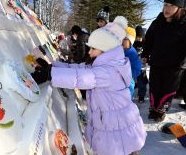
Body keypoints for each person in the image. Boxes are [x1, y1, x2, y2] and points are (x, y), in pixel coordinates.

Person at [32, 16, 146, 155]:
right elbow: (78, 69)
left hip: (119, 132)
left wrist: (50, 75)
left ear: (106, 49)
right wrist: (52, 67)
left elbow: (81, 78)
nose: (89, 52)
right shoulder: (106, 63)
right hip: (115, 125)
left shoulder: (108, 71)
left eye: (93, 48)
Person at [141, 0, 186, 122]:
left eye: (172, 6)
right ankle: (153, 108)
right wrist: (145, 54)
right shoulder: (158, 21)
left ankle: (161, 110)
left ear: (180, 8)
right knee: (155, 87)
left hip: (175, 66)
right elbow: (149, 39)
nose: (167, 8)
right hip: (157, 62)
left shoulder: (183, 24)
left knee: (168, 89)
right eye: (166, 4)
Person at [122, 27, 142, 99]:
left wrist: (128, 74)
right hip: (120, 80)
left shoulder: (132, 53)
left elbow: (137, 67)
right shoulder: (121, 51)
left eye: (124, 39)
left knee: (127, 95)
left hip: (128, 79)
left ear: (130, 41)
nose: (122, 41)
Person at [133, 26, 148, 103]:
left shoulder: (145, 44)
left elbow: (148, 53)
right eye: (137, 37)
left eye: (140, 37)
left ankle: (141, 96)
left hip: (142, 67)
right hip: (133, 66)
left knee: (142, 82)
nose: (138, 39)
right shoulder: (132, 43)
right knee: (132, 82)